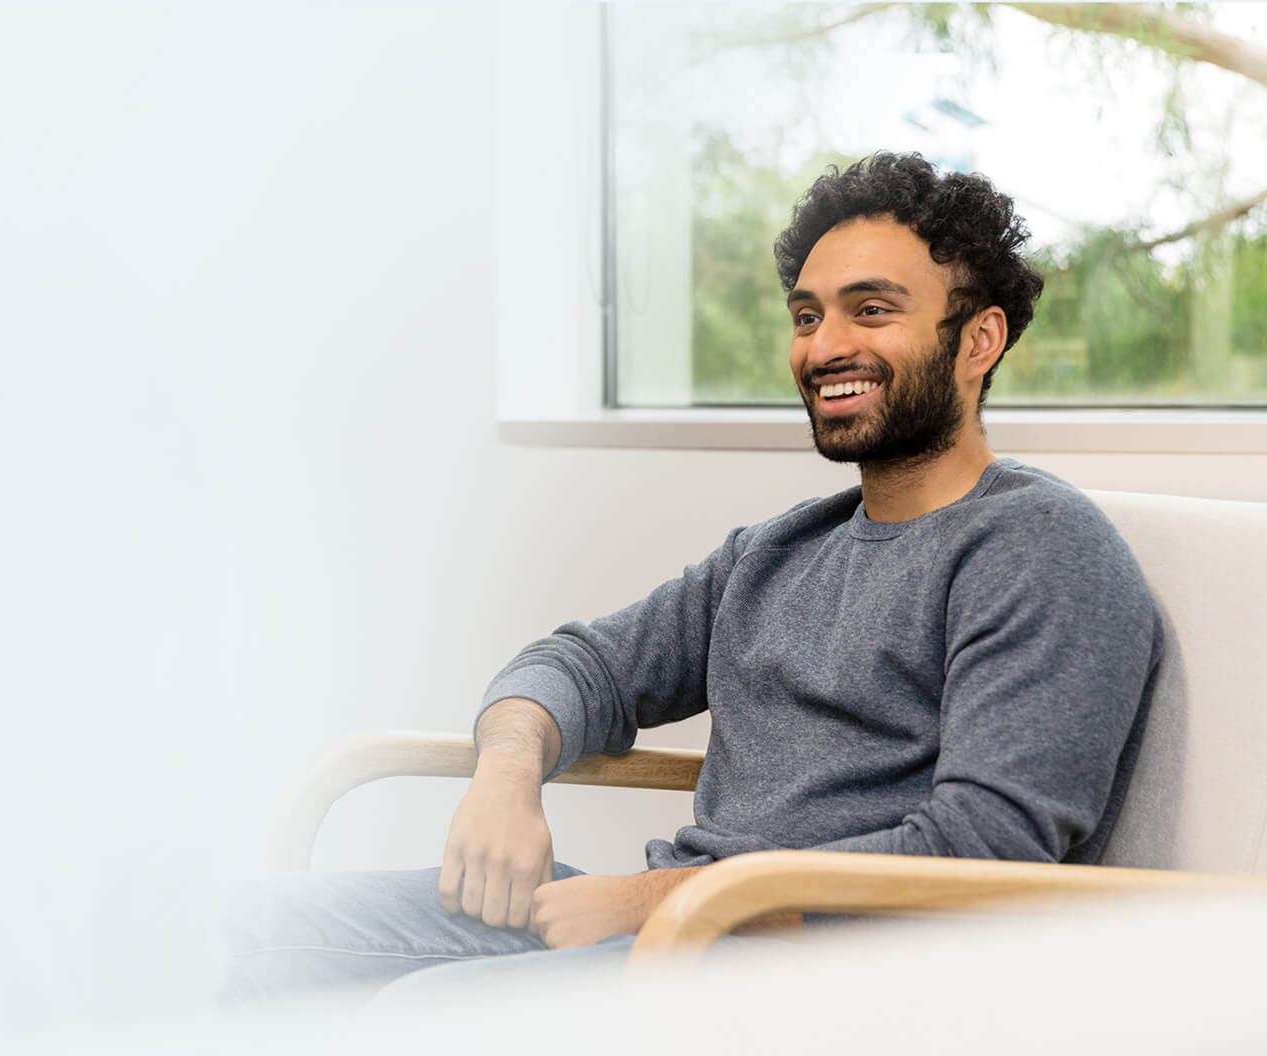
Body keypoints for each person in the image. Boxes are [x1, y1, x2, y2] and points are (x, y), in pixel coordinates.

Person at [220, 151, 1162, 1001]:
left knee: (422, 1018)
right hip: (675, 933)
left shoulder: (1040, 550)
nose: (824, 346)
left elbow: (978, 859)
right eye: (807, 314)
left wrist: (655, 903)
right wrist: (504, 777)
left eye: (871, 309)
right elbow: (580, 664)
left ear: (978, 340)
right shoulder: (777, 553)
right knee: (233, 932)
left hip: (819, 983)